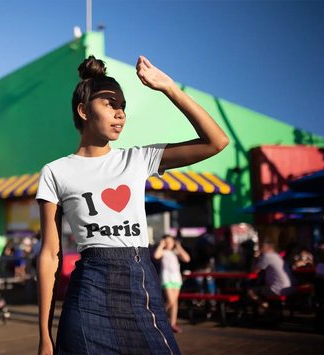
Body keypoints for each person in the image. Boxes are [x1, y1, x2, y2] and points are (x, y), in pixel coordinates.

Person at [36, 55, 229, 355]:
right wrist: (45, 337)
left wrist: (169, 88)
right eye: (110, 104)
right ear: (84, 110)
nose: (120, 113)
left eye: (123, 106)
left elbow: (216, 142)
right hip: (87, 297)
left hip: (141, 287)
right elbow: (50, 254)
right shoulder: (55, 172)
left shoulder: (137, 159)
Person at [154, 235, 191, 333]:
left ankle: (172, 324)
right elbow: (156, 255)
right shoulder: (164, 252)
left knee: (175, 302)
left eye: (170, 241)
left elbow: (187, 259)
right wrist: (161, 245)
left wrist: (179, 247)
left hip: (176, 279)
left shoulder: (176, 252)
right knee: (170, 301)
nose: (169, 244)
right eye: (167, 242)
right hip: (167, 279)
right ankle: (156, 316)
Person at [249, 239, 294, 308]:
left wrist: (255, 258)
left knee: (250, 291)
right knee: (262, 288)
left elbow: (254, 270)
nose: (261, 249)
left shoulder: (267, 256)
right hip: (288, 287)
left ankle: (266, 306)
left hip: (277, 289)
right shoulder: (277, 255)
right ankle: (270, 309)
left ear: (268, 248)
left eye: (262, 247)